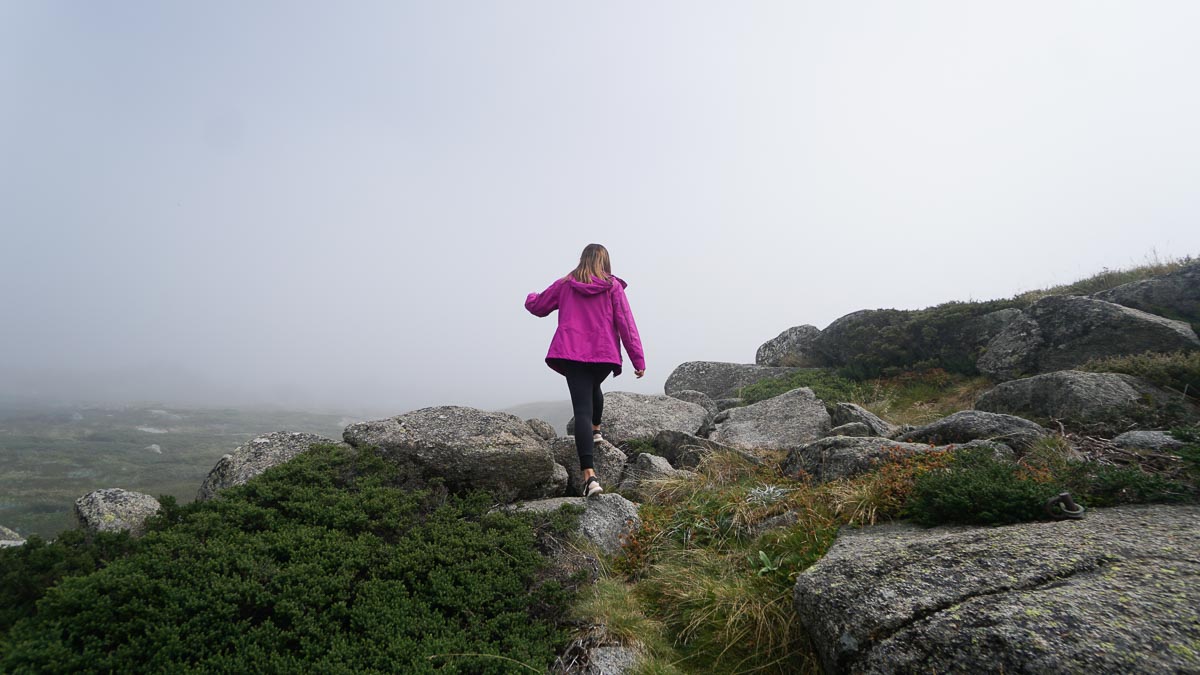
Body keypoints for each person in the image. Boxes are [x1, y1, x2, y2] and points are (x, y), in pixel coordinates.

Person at [525, 244, 646, 497]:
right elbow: (626, 323)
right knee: (594, 386)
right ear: (605, 262)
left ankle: (589, 477)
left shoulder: (566, 284)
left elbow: (538, 307)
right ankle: (597, 430)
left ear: (582, 260)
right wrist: (638, 360)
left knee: (581, 408)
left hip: (572, 352)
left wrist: (530, 296)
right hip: (603, 354)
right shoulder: (612, 286)